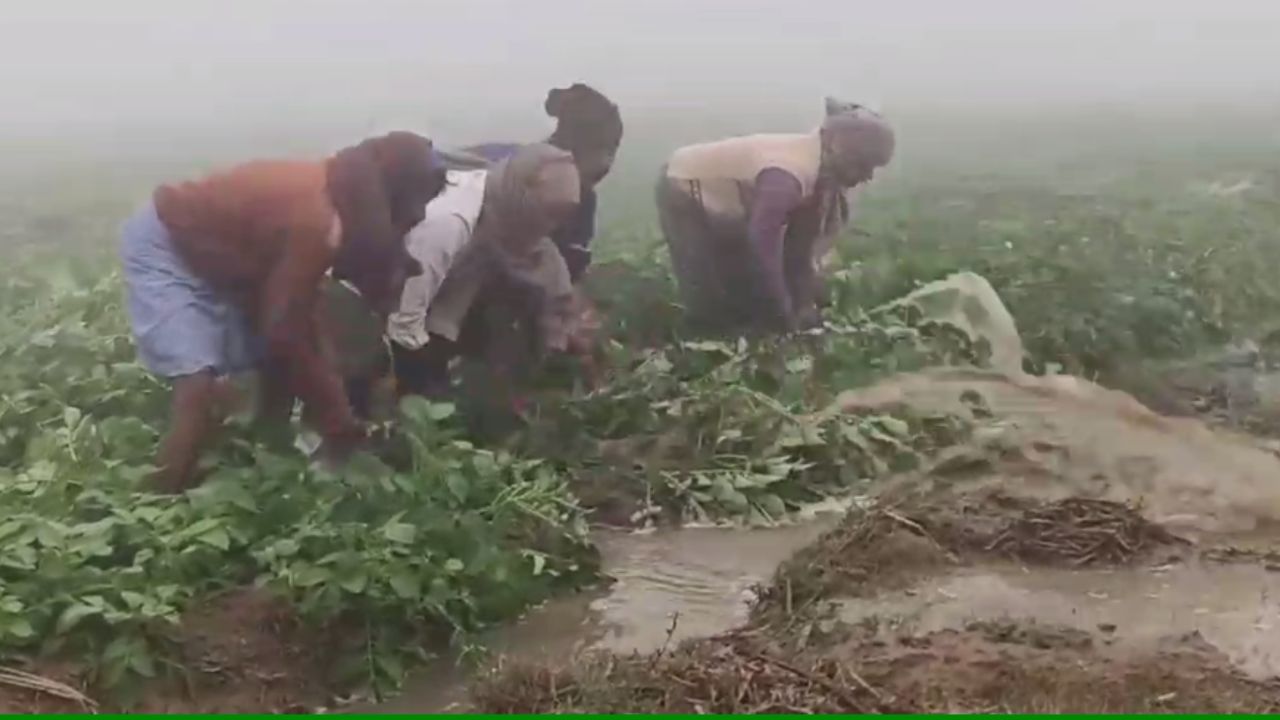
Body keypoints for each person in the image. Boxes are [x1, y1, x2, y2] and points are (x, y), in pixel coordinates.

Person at [120, 132, 446, 493]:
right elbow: (284, 332)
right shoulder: (317, 221)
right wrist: (336, 418)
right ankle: (155, 502)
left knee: (275, 359)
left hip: (228, 257)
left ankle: (262, 458)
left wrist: (332, 401)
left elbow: (297, 320)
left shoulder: (342, 191)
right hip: (169, 243)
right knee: (198, 384)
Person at [399, 83, 623, 395]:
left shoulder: (577, 199)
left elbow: (565, 276)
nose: (608, 163)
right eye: (605, 151)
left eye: (614, 152)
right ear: (574, 148)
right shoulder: (515, 180)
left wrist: (571, 325)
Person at [657, 99, 896, 334]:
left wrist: (803, 305)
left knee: (743, 282)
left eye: (872, 168)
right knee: (708, 287)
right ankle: (699, 343)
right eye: (862, 166)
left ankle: (754, 327)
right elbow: (762, 245)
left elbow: (798, 249)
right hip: (682, 183)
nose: (867, 176)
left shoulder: (819, 170)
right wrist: (782, 313)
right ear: (837, 148)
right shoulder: (787, 175)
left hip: (735, 196)